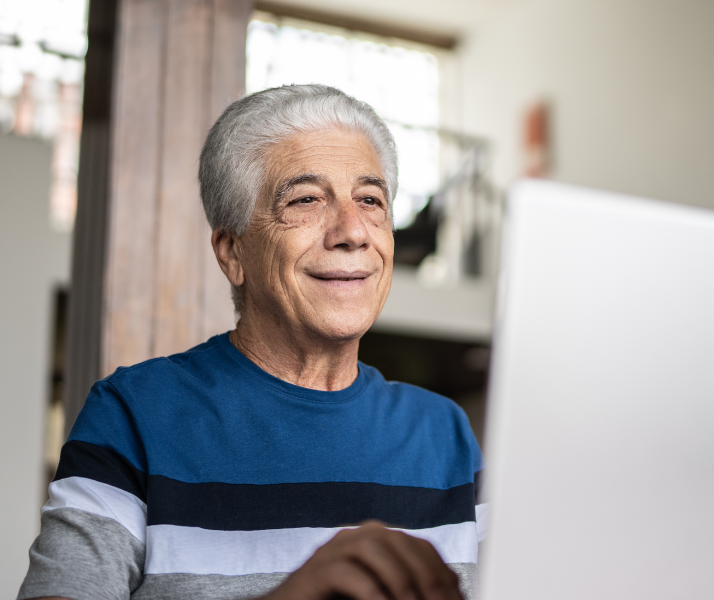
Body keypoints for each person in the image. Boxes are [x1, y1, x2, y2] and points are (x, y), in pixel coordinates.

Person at [18, 84, 482, 600]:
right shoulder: (134, 414)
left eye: (370, 200)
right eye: (306, 199)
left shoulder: (446, 434)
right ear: (232, 252)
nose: (353, 231)